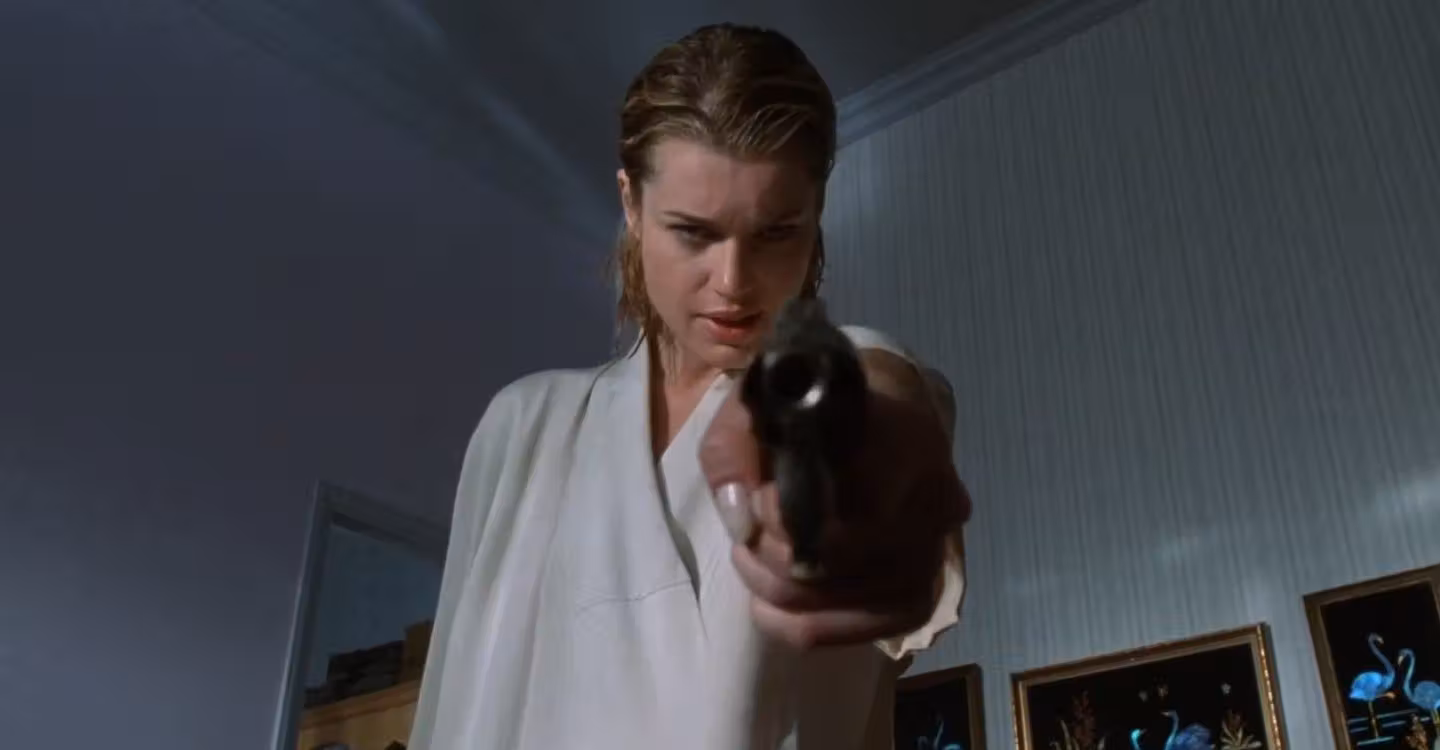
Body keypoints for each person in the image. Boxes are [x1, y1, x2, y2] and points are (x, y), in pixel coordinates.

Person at [408, 22, 971, 750]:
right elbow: (451, 703)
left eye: (775, 233)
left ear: (816, 215)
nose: (733, 282)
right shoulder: (522, 429)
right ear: (631, 205)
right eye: (694, 233)